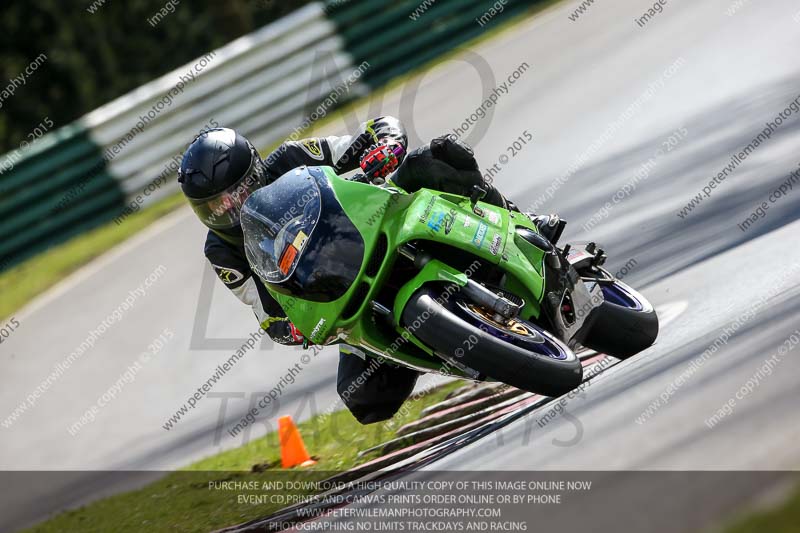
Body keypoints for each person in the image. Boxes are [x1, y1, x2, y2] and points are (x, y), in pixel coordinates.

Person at [178, 118, 561, 424]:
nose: (230, 209)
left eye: (238, 193)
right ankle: (439, 341)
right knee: (363, 398)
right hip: (338, 291)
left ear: (257, 170)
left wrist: (388, 146)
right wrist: (292, 329)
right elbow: (266, 313)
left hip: (378, 225)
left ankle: (524, 224)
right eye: (214, 208)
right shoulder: (222, 252)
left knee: (440, 156)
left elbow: (374, 131)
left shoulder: (293, 157)